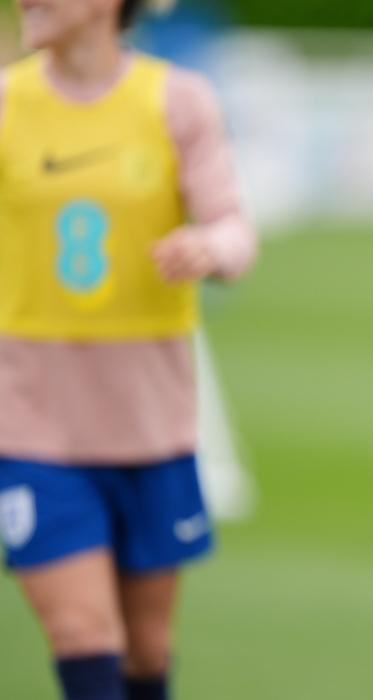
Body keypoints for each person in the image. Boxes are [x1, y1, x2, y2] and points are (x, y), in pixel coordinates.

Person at [0, 1, 256, 698]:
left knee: (146, 652)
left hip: (150, 426)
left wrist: (210, 247)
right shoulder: (7, 101)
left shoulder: (177, 100)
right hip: (31, 426)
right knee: (84, 637)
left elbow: (234, 227)